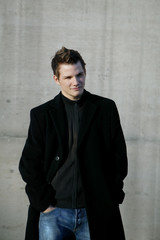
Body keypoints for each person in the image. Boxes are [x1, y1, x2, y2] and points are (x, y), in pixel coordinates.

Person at [19, 46, 128, 240]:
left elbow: (118, 157)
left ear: (85, 72)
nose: (75, 82)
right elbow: (29, 164)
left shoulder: (105, 109)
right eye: (68, 77)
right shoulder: (41, 115)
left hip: (94, 211)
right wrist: (44, 204)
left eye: (79, 75)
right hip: (53, 212)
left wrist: (111, 197)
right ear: (56, 79)